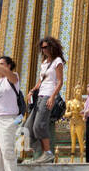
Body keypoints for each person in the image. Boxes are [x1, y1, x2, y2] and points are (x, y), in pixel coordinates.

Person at [26, 36, 64, 164]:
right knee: (28, 127)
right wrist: (33, 90)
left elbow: (59, 82)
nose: (44, 50)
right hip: (40, 96)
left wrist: (53, 97)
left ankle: (47, 153)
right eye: (42, 48)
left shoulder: (57, 61)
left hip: (48, 95)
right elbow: (41, 80)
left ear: (52, 47)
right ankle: (40, 154)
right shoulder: (44, 63)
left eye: (46, 47)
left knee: (39, 125)